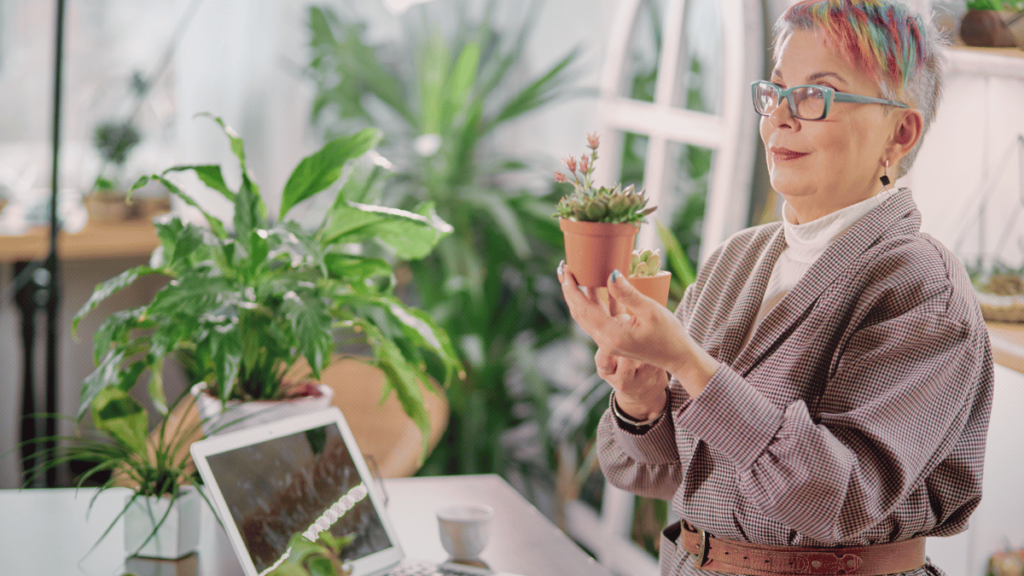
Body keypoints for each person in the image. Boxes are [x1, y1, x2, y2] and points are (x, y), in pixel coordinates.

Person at [557, 1, 994, 574]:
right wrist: (641, 397)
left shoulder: (921, 289)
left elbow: (837, 499)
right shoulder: (735, 260)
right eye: (777, 91)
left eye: (818, 95)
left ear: (900, 131)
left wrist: (690, 365)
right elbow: (651, 470)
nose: (781, 118)